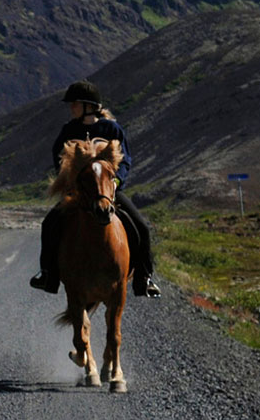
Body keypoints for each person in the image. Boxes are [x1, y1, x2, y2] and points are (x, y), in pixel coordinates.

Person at [29, 80, 161, 297]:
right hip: (78, 192)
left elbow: (125, 161)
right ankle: (48, 275)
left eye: (75, 104)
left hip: (109, 191)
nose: (71, 108)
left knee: (142, 228)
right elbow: (58, 158)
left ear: (88, 106)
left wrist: (116, 182)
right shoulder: (68, 130)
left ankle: (144, 278)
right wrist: (69, 182)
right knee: (49, 223)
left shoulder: (112, 129)